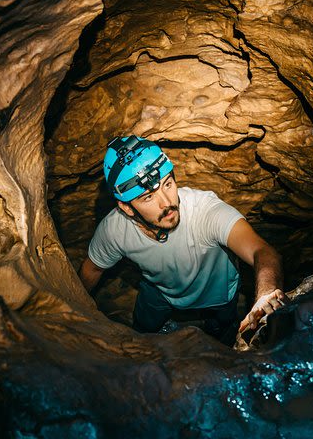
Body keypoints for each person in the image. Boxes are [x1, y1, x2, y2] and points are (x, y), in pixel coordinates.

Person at [79, 135, 287, 345]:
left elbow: (261, 251)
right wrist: (75, 310)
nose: (167, 203)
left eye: (167, 184)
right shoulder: (115, 230)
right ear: (126, 207)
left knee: (223, 328)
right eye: (148, 197)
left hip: (217, 291)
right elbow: (92, 270)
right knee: (143, 329)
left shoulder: (204, 211)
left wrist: (267, 293)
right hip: (161, 290)